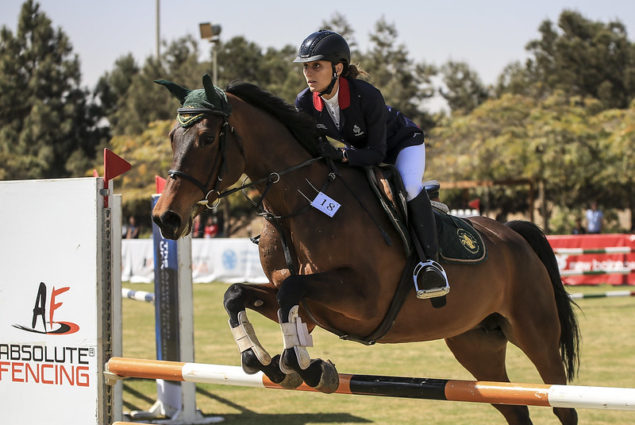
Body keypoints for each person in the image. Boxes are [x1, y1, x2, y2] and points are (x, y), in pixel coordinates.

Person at [293, 30, 448, 299]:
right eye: (306, 66)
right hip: (359, 150)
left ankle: (430, 264)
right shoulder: (305, 101)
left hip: (401, 144)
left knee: (409, 186)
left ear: (338, 68)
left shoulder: (366, 95)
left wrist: (340, 155)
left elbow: (377, 153)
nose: (309, 73)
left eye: (316, 65)